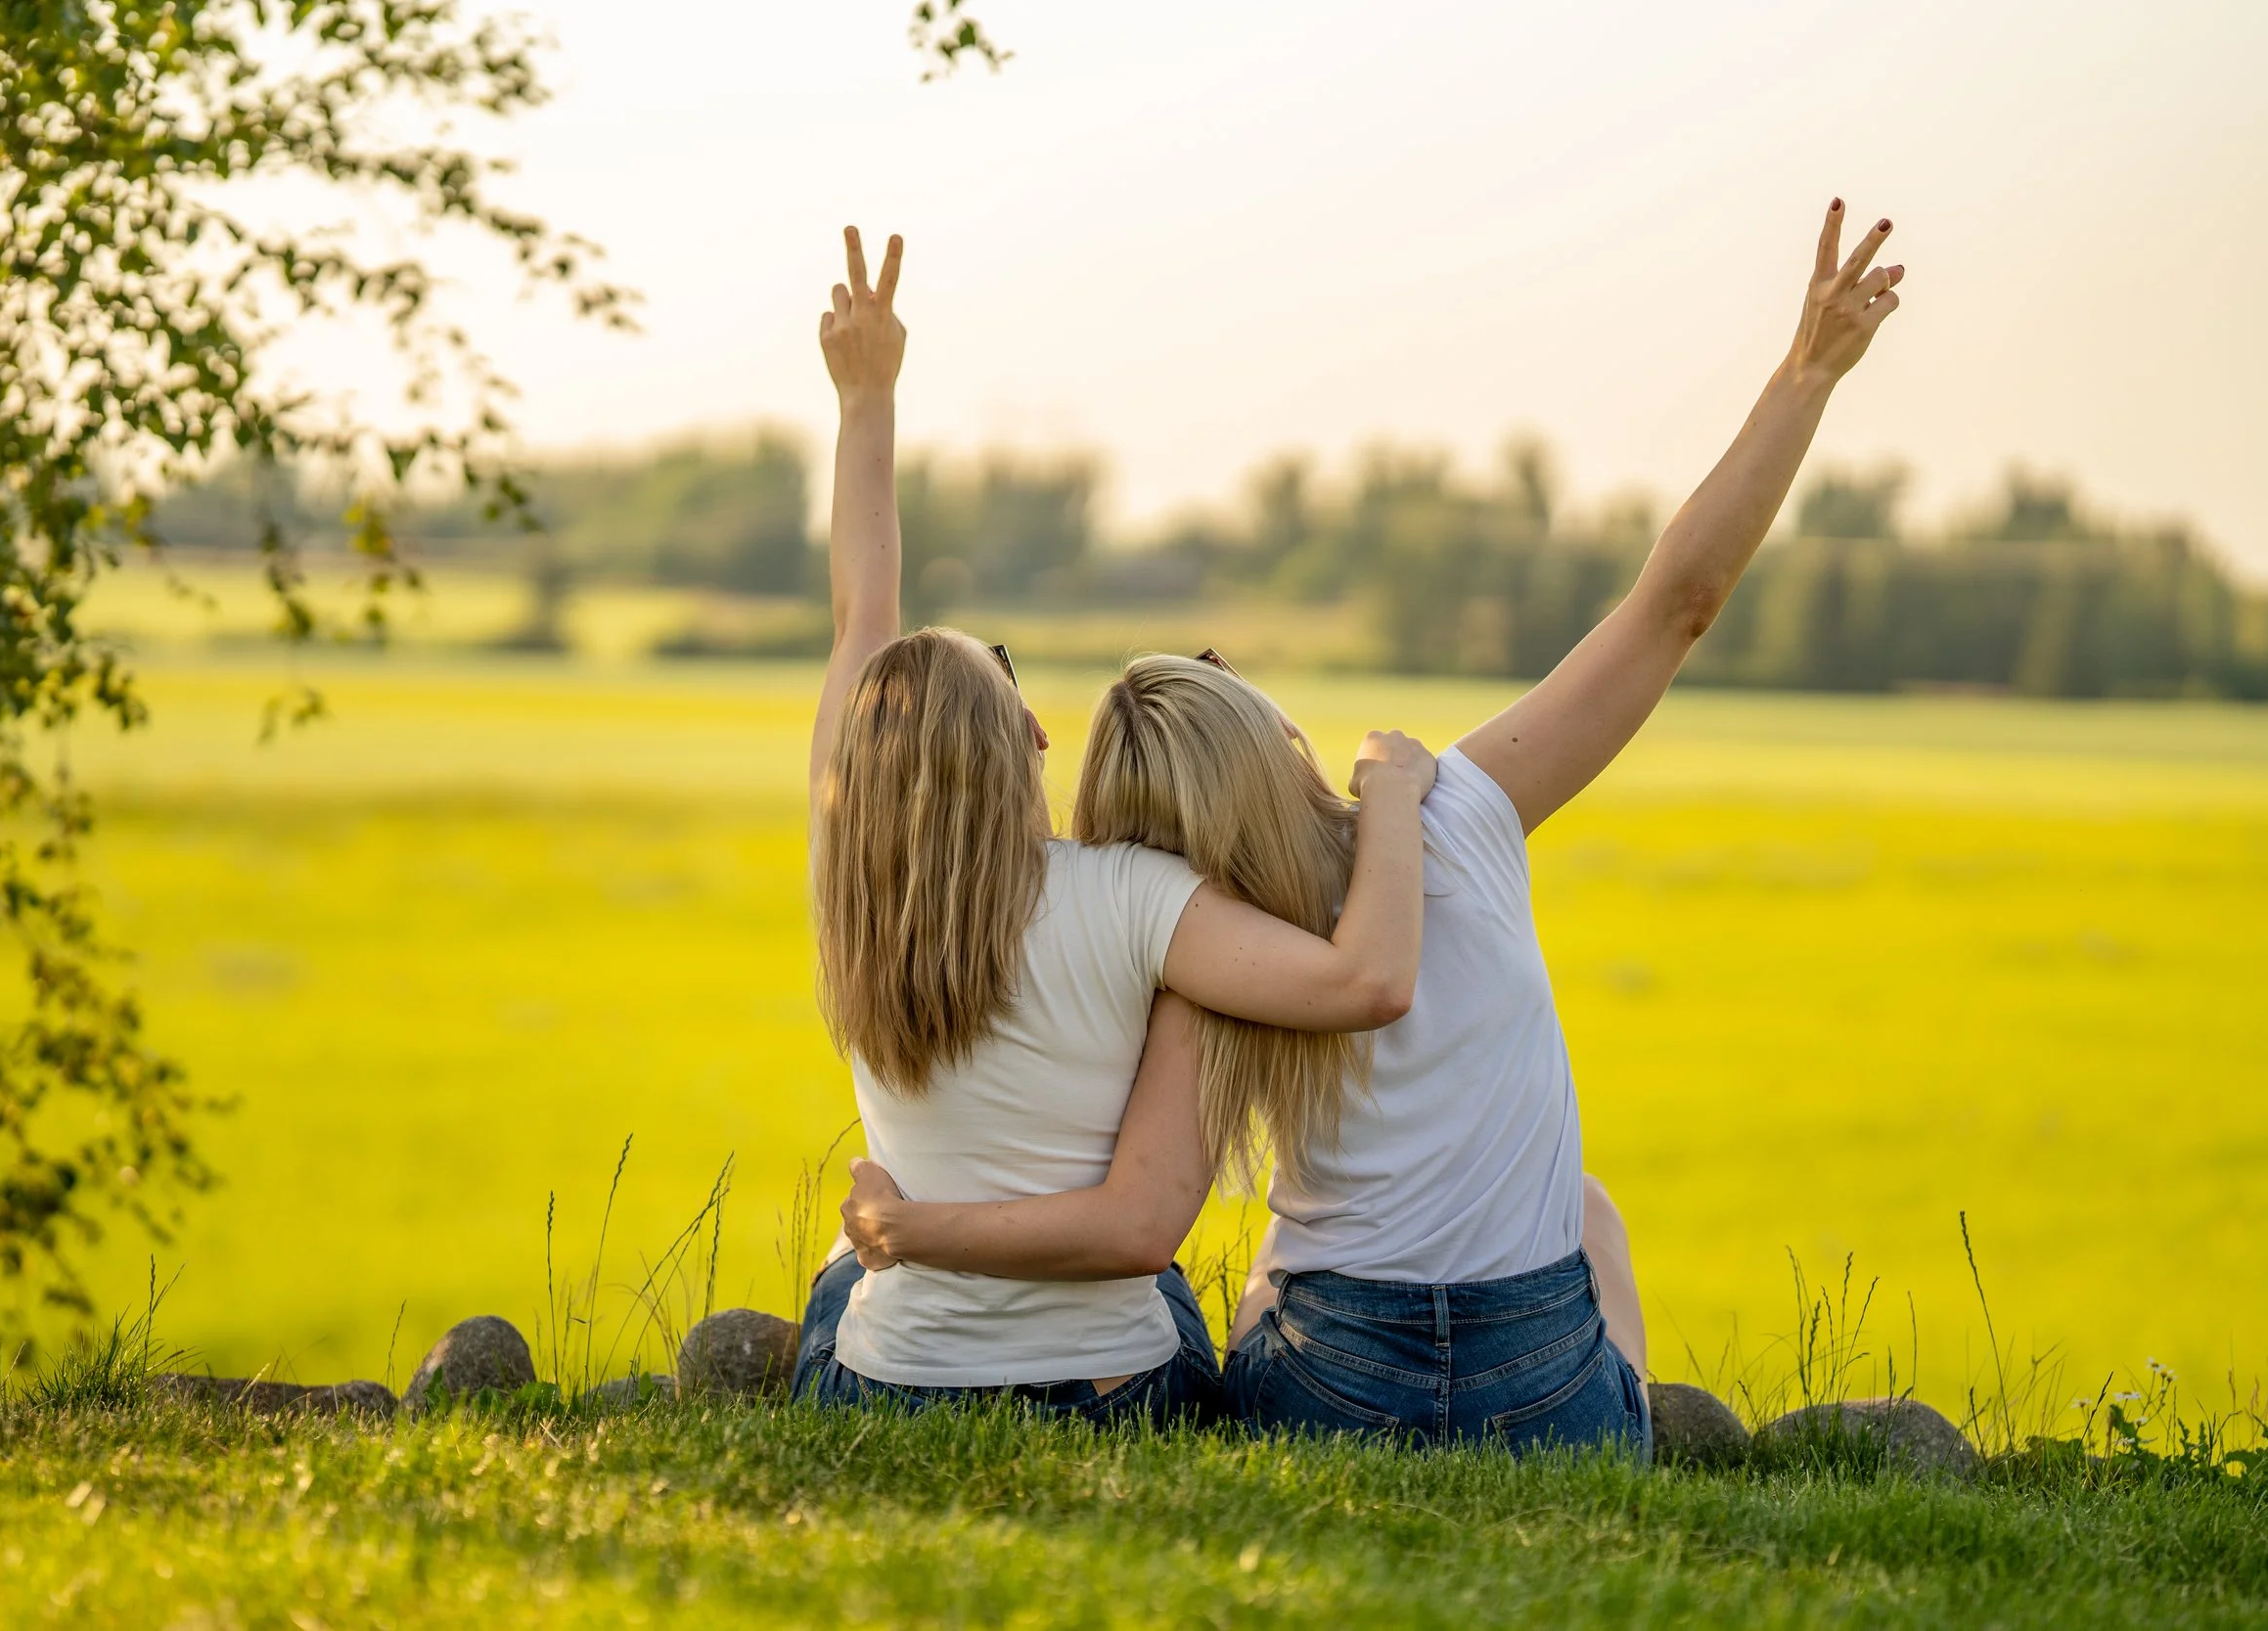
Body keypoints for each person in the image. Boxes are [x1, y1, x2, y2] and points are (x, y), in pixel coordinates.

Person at [838, 201, 1908, 1454]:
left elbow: (865, 634)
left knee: (1269, 1269)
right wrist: (1806, 375)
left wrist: (864, 403)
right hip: (1536, 1379)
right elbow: (1676, 602)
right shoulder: (1457, 809)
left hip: (1327, 1377)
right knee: (1589, 1210)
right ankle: (1627, 1441)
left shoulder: (1192, 927)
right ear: (1261, 733)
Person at [793, 226, 1442, 1426]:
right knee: (1189, 1301)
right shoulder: (1137, 897)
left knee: (844, 1278)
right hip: (1102, 1389)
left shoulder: (850, 886)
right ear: (1028, 746)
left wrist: (865, 397)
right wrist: (1391, 797)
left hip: (885, 1390)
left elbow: (856, 614)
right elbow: (1366, 978)